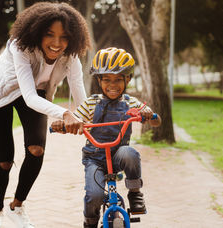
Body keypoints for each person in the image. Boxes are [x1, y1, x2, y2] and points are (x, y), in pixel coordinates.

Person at [0, 2, 91, 228]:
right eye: (50, 35)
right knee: (4, 161)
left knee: (36, 149)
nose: (57, 43)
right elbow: (28, 96)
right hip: (4, 91)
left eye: (64, 37)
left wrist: (90, 119)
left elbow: (79, 92)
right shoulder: (20, 46)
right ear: (37, 32)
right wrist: (65, 113)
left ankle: (17, 206)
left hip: (37, 92)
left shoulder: (70, 56)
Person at [51, 47, 162, 228]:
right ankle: (90, 222)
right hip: (95, 158)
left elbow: (156, 121)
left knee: (130, 153)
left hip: (118, 156)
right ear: (99, 80)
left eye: (118, 79)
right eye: (107, 80)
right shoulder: (91, 103)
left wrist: (150, 115)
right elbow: (76, 119)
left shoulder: (130, 103)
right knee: (94, 195)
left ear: (128, 79)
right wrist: (63, 125)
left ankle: (135, 193)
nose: (113, 85)